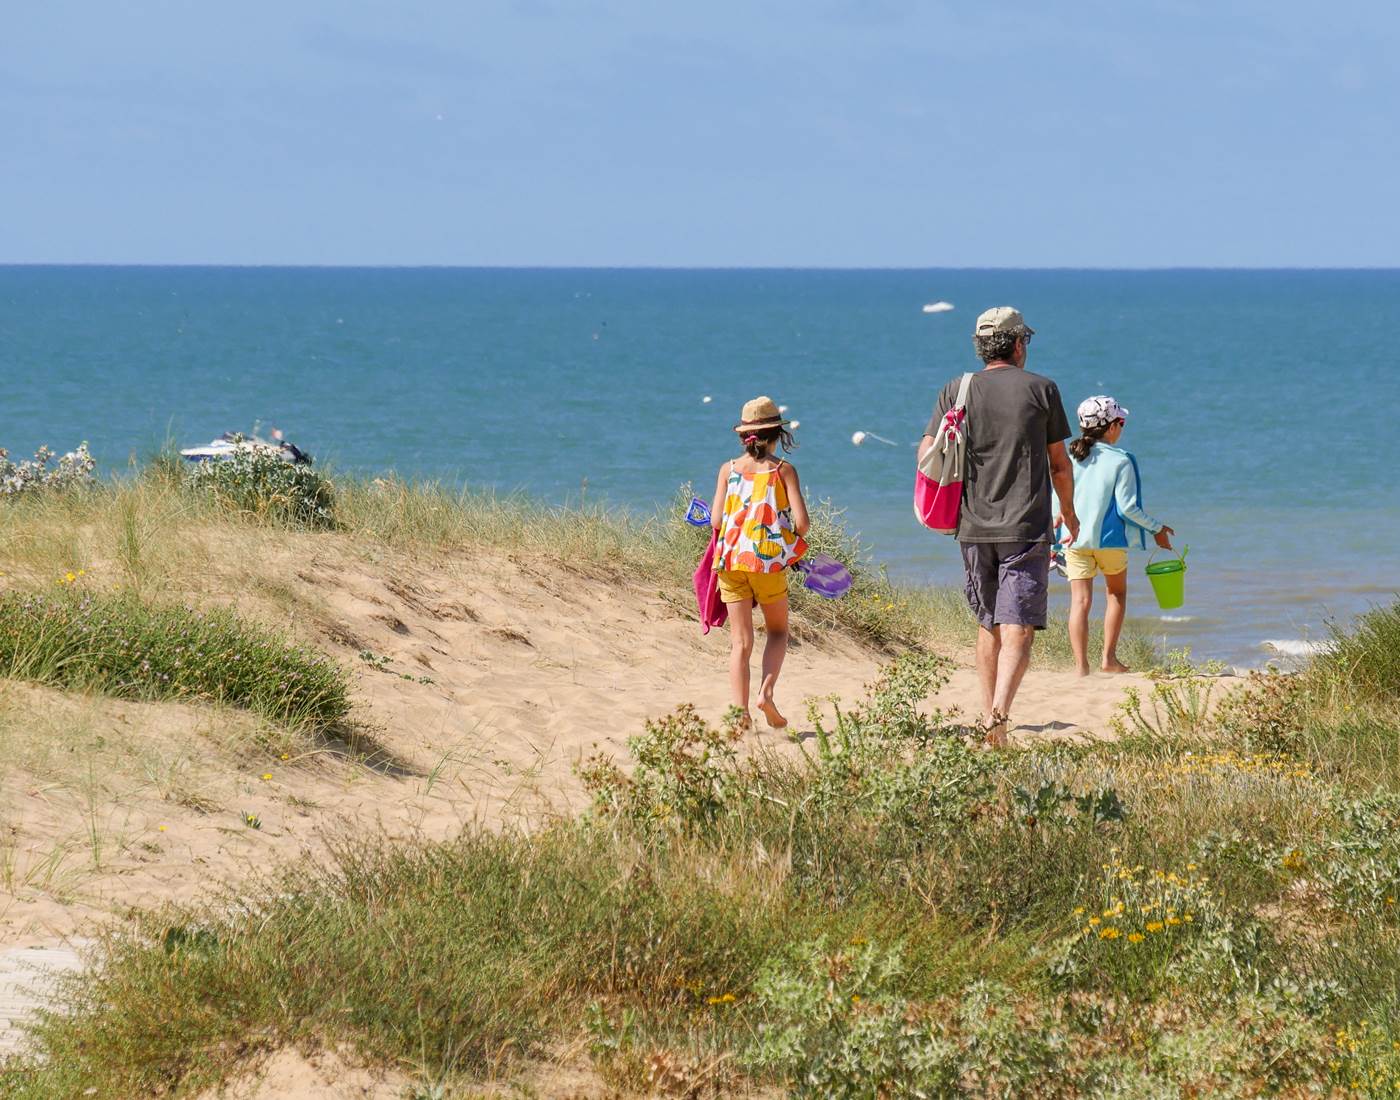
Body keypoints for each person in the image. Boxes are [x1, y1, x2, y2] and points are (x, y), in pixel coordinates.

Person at [920, 307, 1078, 747]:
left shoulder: (957, 389)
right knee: (1019, 625)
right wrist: (1069, 510)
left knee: (989, 624)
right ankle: (999, 717)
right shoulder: (1042, 390)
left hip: (971, 525)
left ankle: (992, 719)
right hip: (1026, 524)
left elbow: (926, 454)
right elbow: (1059, 465)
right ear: (1019, 343)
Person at [709, 396, 809, 731]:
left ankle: (739, 717)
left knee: (740, 643)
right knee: (778, 631)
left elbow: (716, 519)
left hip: (732, 561)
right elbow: (802, 523)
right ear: (777, 434)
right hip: (766, 562)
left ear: (744, 437)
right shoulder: (783, 471)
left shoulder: (728, 470)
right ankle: (765, 693)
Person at [1061, 395, 1175, 677]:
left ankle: (1080, 668)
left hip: (1073, 539)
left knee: (1079, 602)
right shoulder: (1121, 460)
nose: (1122, 427)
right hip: (1109, 540)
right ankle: (1108, 659)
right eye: (1120, 422)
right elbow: (1127, 508)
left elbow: (1057, 498)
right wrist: (1157, 529)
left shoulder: (1070, 456)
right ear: (1111, 426)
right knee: (1116, 593)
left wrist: (1056, 534)